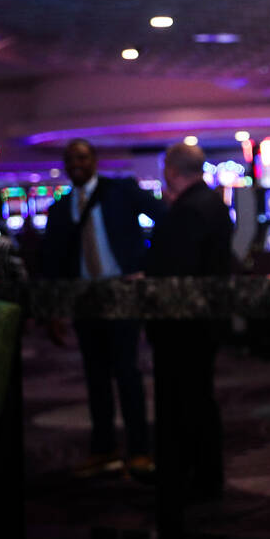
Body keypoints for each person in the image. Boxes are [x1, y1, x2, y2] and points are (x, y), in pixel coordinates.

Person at [42, 138, 167, 477]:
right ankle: (104, 449)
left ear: (94, 159)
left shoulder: (121, 190)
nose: (76, 163)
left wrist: (147, 265)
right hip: (85, 300)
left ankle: (139, 450)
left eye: (81, 157)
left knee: (127, 374)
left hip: (122, 294)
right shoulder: (60, 208)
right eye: (70, 159)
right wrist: (54, 312)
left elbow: (165, 217)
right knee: (95, 378)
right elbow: (54, 263)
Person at [145, 142, 235, 500]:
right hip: (203, 321)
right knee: (199, 399)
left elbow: (175, 272)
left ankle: (188, 476)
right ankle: (202, 473)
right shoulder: (211, 203)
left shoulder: (188, 210)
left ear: (170, 171)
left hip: (182, 325)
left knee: (183, 402)